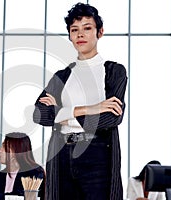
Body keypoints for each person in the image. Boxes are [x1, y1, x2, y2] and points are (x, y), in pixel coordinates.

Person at [33, 2, 128, 200]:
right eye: (74, 30)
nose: (80, 34)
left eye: (87, 28)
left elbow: (110, 118)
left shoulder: (114, 71)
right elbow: (39, 114)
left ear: (100, 32)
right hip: (62, 155)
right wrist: (91, 108)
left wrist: (62, 114)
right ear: (69, 35)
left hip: (97, 155)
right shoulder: (62, 76)